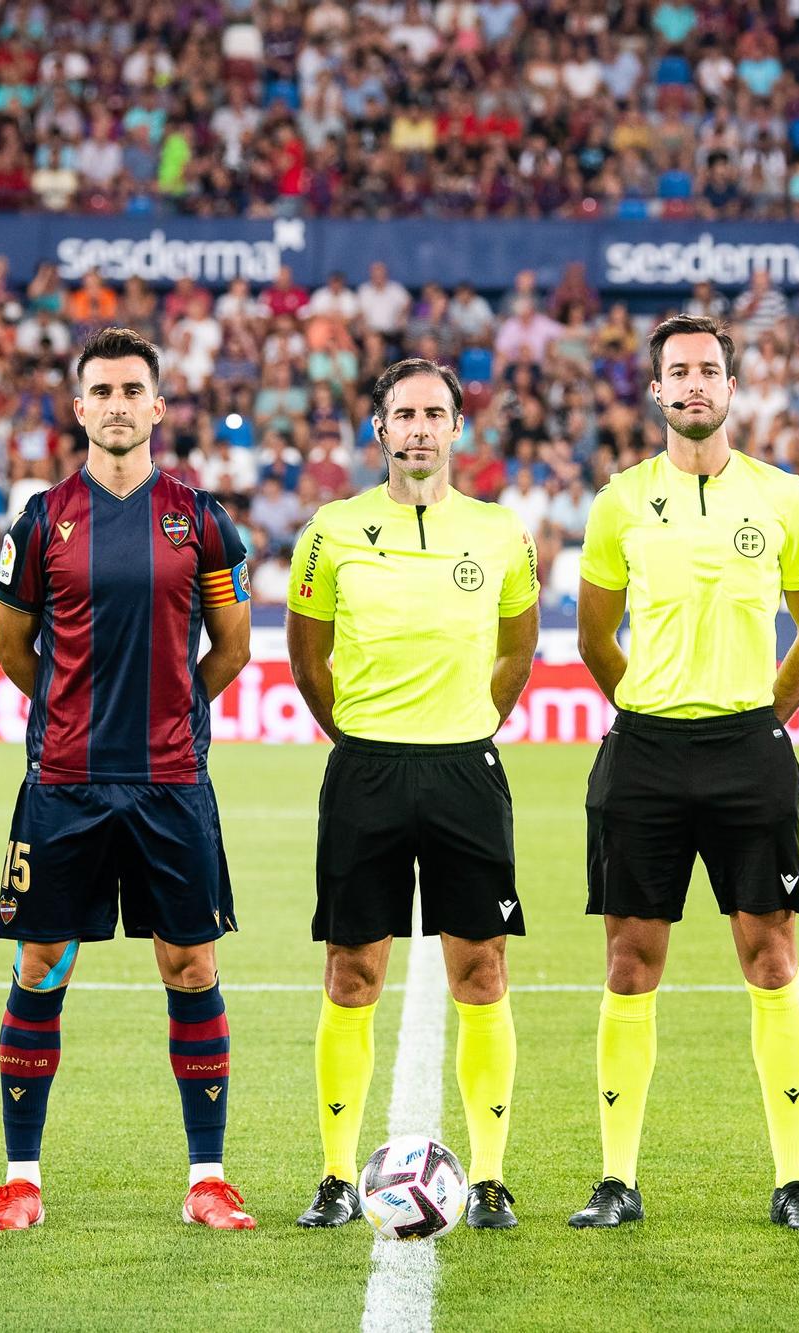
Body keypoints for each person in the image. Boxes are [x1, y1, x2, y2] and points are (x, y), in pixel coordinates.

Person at [0, 327, 256, 1232]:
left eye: (133, 389)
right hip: (63, 783)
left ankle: (206, 1178)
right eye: (101, 390)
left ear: (158, 406)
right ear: (79, 406)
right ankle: (21, 1179)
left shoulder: (202, 516)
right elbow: (16, 651)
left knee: (191, 963)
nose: (117, 404)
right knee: (41, 962)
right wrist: (72, 713)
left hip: (173, 781)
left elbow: (234, 645)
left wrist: (176, 707)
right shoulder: (39, 519)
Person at [572, 314, 799, 1231]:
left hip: (747, 751)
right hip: (644, 751)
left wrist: (765, 717)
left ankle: (793, 1178)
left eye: (710, 371)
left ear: (732, 388)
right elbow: (594, 635)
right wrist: (642, 704)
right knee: (629, 960)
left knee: (771, 956)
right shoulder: (619, 499)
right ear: (656, 391)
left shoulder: (781, 495)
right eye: (678, 372)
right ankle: (617, 1179)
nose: (695, 384)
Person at [284, 358, 540, 1231]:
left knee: (482, 970)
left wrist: (473, 723)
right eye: (404, 414)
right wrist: (356, 735)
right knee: (352, 972)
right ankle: (332, 1175)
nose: (420, 428)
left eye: (436, 412)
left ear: (457, 426)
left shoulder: (503, 530)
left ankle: (494, 1178)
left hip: (466, 769)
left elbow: (518, 648)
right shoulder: (331, 529)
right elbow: (306, 655)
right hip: (367, 771)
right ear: (379, 430)